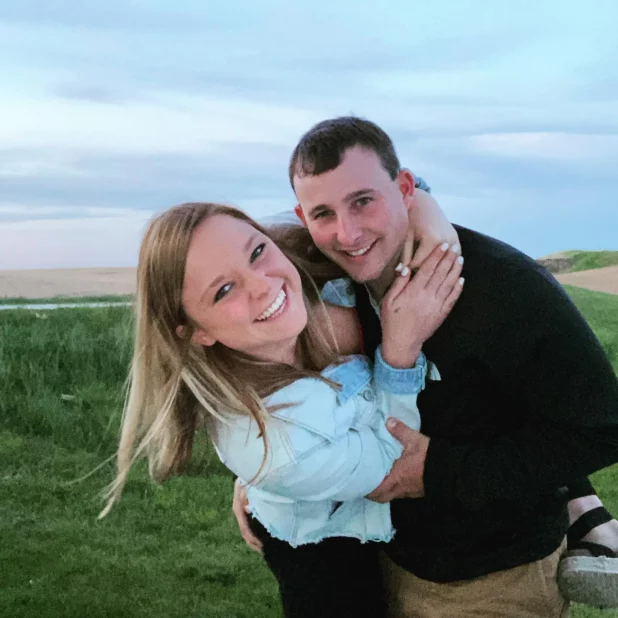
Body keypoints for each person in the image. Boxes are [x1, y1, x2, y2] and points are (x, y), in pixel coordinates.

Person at [232, 116, 618, 616]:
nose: (348, 233)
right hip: (387, 564)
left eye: (363, 201)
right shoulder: (330, 283)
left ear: (405, 189)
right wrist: (267, 471)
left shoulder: (505, 288)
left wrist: (437, 470)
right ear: (303, 218)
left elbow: (600, 429)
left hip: (497, 578)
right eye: (324, 213)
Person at [100, 200, 463, 617]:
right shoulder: (274, 449)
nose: (261, 284)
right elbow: (394, 466)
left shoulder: (298, 266)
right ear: (196, 332)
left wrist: (432, 222)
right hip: (326, 555)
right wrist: (400, 350)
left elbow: (376, 193)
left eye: (257, 251)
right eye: (223, 291)